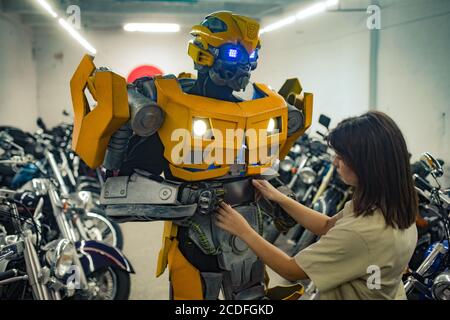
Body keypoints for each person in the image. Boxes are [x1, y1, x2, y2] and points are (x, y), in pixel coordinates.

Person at [216, 111, 419, 300]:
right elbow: (328, 225)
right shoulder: (394, 207)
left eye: (341, 157)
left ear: (366, 164)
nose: (335, 163)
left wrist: (243, 231)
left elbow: (291, 269)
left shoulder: (363, 233)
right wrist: (281, 198)